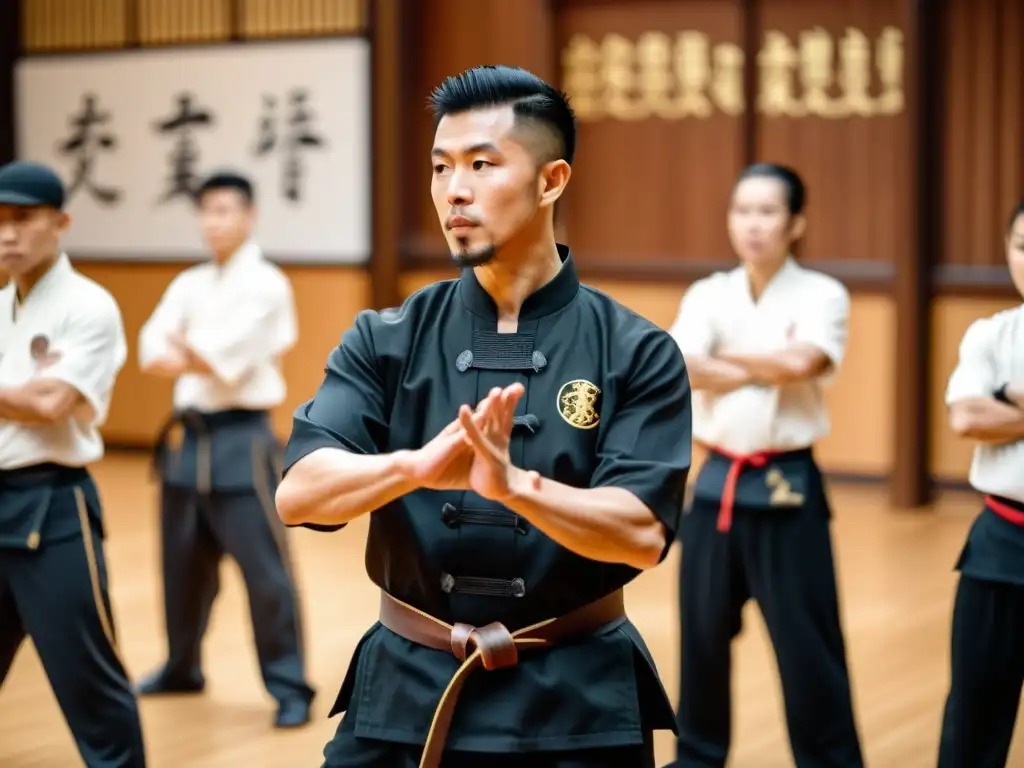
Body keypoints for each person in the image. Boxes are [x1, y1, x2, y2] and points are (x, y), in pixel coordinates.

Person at [275, 65, 692, 768]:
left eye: (481, 164)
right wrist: (413, 468)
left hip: (576, 700)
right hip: (407, 687)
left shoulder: (636, 349)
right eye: (440, 168)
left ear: (551, 181)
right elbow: (299, 494)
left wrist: (515, 488)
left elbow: (642, 534)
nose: (453, 190)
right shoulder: (386, 337)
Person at [667, 163, 864, 768]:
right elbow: (682, 365)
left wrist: (726, 361)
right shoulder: (708, 293)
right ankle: (698, 756)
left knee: (808, 644)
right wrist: (761, 364)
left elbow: (803, 361)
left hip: (787, 485)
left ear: (795, 222)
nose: (752, 225)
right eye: (742, 211)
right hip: (718, 481)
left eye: (768, 212)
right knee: (700, 637)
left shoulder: (822, 293)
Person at [134, 170, 315, 728]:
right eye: (206, 211)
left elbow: (222, 355)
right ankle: (182, 666)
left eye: (225, 210)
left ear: (249, 215)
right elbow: (149, 348)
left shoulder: (266, 283)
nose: (214, 222)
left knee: (265, 573)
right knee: (180, 566)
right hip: (188, 438)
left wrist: (191, 349)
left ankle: (290, 687)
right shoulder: (190, 282)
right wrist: (194, 352)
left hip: (245, 440)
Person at [0, 160, 146, 767]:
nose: (8, 234)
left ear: (60, 222)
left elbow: (49, 403)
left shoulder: (89, 305)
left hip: (53, 507)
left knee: (87, 678)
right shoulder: (3, 300)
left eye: (23, 219)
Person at [938, 199, 1024, 768]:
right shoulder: (992, 334)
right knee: (975, 711)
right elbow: (967, 418)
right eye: (1022, 246)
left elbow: (989, 413)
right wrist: (990, 408)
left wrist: (1009, 406)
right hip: (1000, 541)